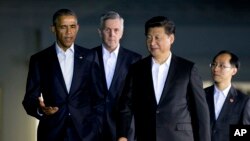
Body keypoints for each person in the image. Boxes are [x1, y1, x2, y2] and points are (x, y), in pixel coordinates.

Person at [117, 16, 211, 141]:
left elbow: (201, 113)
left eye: (157, 38)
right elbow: (126, 105)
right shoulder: (137, 69)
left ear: (171, 38)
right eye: (149, 37)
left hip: (179, 137)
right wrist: (122, 135)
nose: (152, 42)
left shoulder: (187, 69)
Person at [22, 9, 104, 141]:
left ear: (77, 28)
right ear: (53, 29)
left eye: (72, 27)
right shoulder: (39, 60)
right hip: (52, 133)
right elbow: (29, 99)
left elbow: (99, 99)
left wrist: (96, 127)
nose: (69, 32)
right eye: (63, 27)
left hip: (86, 134)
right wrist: (41, 110)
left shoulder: (90, 57)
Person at [92, 11, 142, 141]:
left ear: (122, 33)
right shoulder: (87, 57)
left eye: (116, 30)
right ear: (100, 32)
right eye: (107, 30)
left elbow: (138, 98)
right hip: (93, 129)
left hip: (124, 130)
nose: (112, 34)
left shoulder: (135, 60)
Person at [204, 50, 250, 141]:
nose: (216, 69)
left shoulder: (243, 101)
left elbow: (243, 133)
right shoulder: (201, 95)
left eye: (222, 66)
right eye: (214, 64)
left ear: (234, 71)